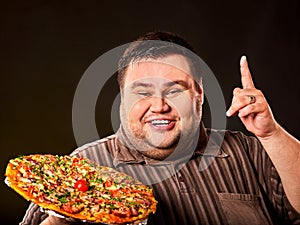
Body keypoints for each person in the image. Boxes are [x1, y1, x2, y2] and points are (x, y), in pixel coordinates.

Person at [20, 31, 300, 225]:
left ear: (199, 95)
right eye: (142, 93)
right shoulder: (81, 166)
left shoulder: (249, 150)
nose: (159, 106)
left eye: (174, 91)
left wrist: (270, 133)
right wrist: (67, 211)